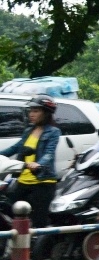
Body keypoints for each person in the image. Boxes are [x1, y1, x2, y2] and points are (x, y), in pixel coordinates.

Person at [0, 94, 60, 229]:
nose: (31, 114)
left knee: (39, 221)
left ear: (46, 113)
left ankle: (39, 247)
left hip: (43, 181)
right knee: (7, 208)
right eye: (31, 111)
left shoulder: (53, 132)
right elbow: (15, 148)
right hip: (23, 180)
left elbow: (49, 153)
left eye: (36, 111)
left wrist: (39, 164)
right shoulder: (28, 131)